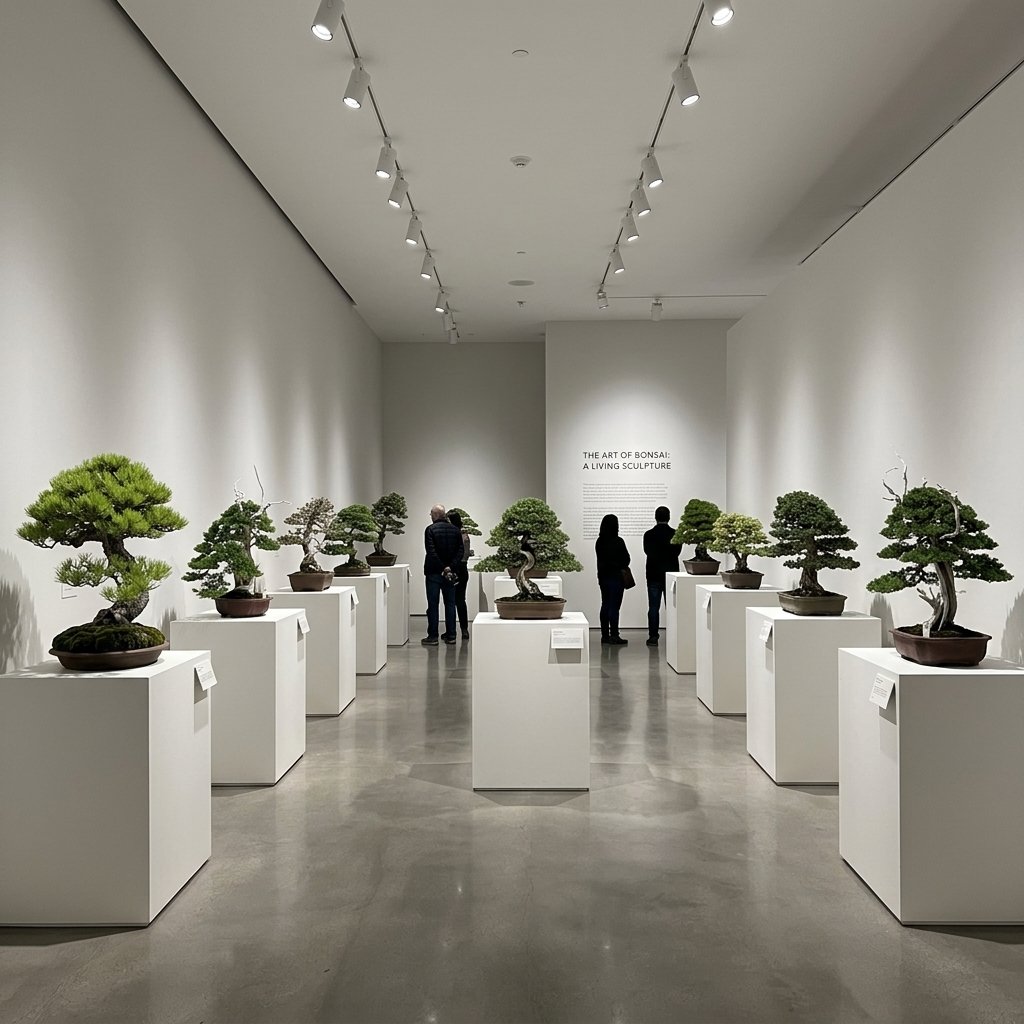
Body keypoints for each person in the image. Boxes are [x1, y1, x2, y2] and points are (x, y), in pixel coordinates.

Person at [422, 504, 464, 646]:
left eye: (431, 514)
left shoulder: (430, 530)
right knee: (450, 604)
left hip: (434, 572)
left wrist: (443, 568)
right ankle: (451, 635)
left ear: (435, 515)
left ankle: (433, 636)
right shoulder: (455, 530)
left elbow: (431, 551)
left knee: (433, 605)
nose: (430, 516)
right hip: (451, 573)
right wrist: (450, 567)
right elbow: (460, 551)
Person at [643, 505, 682, 647]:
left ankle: (653, 636)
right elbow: (677, 552)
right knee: (672, 607)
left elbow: (647, 551)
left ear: (655, 517)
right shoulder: (675, 534)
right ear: (669, 517)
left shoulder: (648, 534)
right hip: (671, 574)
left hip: (653, 574)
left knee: (653, 607)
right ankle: (673, 635)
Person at [595, 513, 631, 645]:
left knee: (605, 604)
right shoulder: (618, 541)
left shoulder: (599, 541)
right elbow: (626, 560)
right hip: (616, 577)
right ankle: (614, 635)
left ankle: (605, 635)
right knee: (614, 607)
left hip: (603, 577)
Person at [447, 509, 471, 640]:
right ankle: (464, 629)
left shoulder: (457, 535)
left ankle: (452, 631)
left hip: (456, 568)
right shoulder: (465, 534)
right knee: (461, 600)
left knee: (452, 601)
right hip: (463, 568)